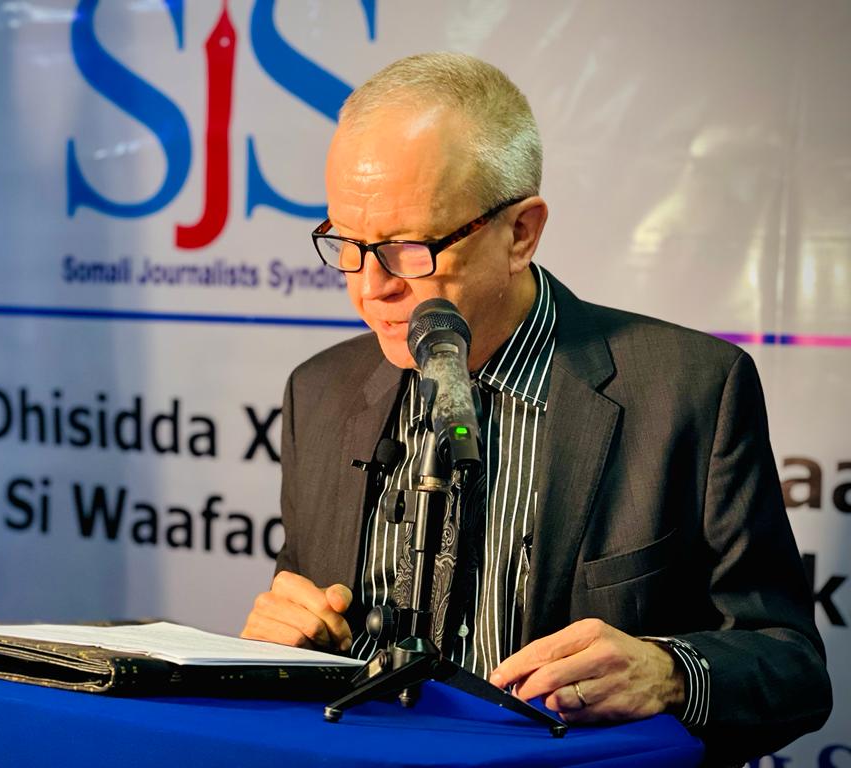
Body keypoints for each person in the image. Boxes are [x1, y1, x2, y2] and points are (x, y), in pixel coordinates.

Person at [240, 52, 830, 764]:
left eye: (406, 249)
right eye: (347, 243)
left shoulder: (691, 389)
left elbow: (792, 667)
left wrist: (669, 672)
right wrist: (281, 645)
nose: (369, 289)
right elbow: (307, 632)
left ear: (520, 232)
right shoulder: (321, 389)